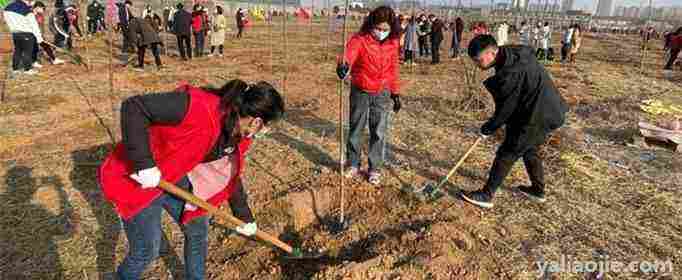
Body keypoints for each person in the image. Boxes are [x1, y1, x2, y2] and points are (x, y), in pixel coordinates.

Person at [98, 79, 285, 280]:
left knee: (197, 228)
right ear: (257, 121)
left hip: (173, 174)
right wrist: (144, 164)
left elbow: (231, 174)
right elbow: (134, 106)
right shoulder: (200, 108)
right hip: (137, 178)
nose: (263, 133)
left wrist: (244, 216)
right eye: (266, 128)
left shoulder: (238, 135)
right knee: (146, 250)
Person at [460, 35, 568, 208]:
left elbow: (505, 111)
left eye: (478, 60)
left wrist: (487, 129)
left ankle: (487, 195)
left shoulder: (510, 73)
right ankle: (538, 190)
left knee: (508, 152)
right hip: (547, 108)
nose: (476, 64)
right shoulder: (513, 53)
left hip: (538, 114)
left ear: (492, 53)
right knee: (529, 148)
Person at [336, 6, 401, 185]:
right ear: (371, 25)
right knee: (356, 128)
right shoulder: (360, 39)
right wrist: (343, 65)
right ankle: (353, 163)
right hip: (361, 91)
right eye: (378, 28)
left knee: (378, 131)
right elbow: (348, 54)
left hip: (382, 92)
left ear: (391, 28)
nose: (381, 32)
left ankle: (374, 168)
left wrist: (395, 93)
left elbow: (394, 69)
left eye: (385, 29)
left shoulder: (393, 42)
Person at [3, 0, 45, 76]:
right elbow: (34, 25)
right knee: (27, 52)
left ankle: (15, 69)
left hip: (15, 33)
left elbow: (7, 20)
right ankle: (28, 69)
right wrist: (39, 38)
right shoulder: (27, 10)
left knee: (17, 51)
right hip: (27, 33)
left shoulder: (7, 8)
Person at [30, 1, 65, 66]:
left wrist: (40, 35)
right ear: (37, 7)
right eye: (42, 9)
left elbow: (40, 26)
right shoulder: (30, 14)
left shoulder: (39, 15)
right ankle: (33, 62)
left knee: (45, 45)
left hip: (38, 34)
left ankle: (54, 59)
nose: (43, 10)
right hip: (30, 34)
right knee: (34, 48)